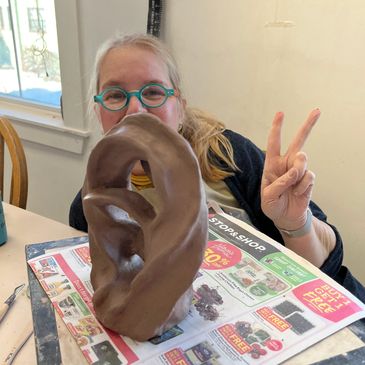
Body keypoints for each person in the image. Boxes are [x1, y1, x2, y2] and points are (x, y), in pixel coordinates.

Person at [69, 33, 365, 302]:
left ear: (180, 108)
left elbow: (327, 270)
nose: (135, 109)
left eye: (153, 92)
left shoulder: (231, 156)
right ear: (98, 112)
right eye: (115, 95)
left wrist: (295, 223)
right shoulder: (91, 207)